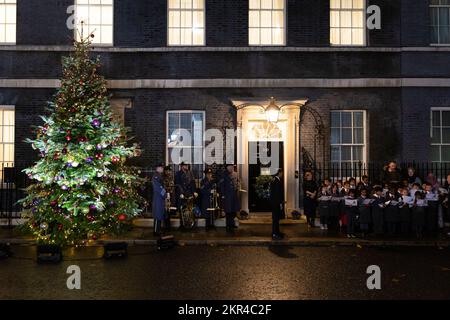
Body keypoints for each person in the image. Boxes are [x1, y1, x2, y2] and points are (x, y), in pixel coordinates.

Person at [219, 164, 241, 234]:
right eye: (230, 167)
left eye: (232, 167)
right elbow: (222, 186)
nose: (231, 168)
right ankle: (228, 225)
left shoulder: (235, 174)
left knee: (233, 210)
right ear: (227, 167)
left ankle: (232, 224)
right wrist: (223, 195)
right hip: (227, 195)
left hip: (234, 195)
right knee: (228, 211)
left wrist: (238, 186)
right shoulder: (224, 174)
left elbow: (238, 182)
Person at [152, 163, 167, 236]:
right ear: (158, 168)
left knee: (160, 213)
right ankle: (156, 231)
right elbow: (158, 187)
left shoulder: (159, 176)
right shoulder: (156, 176)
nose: (162, 169)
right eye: (161, 167)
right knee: (158, 214)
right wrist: (165, 194)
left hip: (160, 198)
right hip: (158, 197)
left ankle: (158, 229)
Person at [270, 169, 285, 240]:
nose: (282, 174)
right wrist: (280, 203)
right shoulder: (276, 181)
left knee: (276, 219)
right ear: (279, 173)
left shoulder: (275, 180)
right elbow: (277, 194)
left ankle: (277, 232)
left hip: (275, 203)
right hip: (276, 203)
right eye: (282, 173)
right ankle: (274, 234)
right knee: (275, 219)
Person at [162, 165, 174, 231]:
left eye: (169, 171)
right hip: (164, 196)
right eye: (167, 171)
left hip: (169, 196)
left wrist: (170, 190)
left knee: (169, 211)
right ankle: (165, 226)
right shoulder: (163, 178)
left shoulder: (170, 177)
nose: (169, 172)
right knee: (165, 211)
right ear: (165, 171)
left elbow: (172, 186)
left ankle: (168, 225)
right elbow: (163, 187)